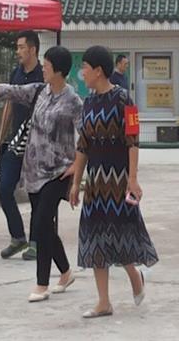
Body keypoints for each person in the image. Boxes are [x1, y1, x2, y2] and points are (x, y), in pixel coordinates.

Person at [0, 45, 83, 302]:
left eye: (47, 65)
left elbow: (87, 134)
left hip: (58, 172)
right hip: (34, 171)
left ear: (58, 70)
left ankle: (42, 284)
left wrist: (77, 166)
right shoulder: (39, 91)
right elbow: (8, 90)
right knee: (45, 225)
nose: (43, 69)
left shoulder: (73, 100)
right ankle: (65, 273)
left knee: (40, 225)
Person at [70, 45, 158, 319]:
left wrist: (133, 178)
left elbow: (133, 140)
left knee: (121, 235)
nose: (82, 72)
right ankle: (104, 302)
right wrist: (76, 182)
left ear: (98, 70)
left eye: (85, 67)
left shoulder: (124, 100)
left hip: (119, 180)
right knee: (96, 238)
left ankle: (135, 276)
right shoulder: (88, 103)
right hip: (95, 182)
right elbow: (83, 145)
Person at [0, 30, 44, 261]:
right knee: (4, 189)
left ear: (33, 49)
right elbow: (9, 103)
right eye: (17, 47)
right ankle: (17, 237)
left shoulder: (43, 75)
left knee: (36, 194)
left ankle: (36, 241)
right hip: (15, 142)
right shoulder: (16, 73)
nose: (18, 52)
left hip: (37, 145)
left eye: (21, 47)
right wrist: (0, 137)